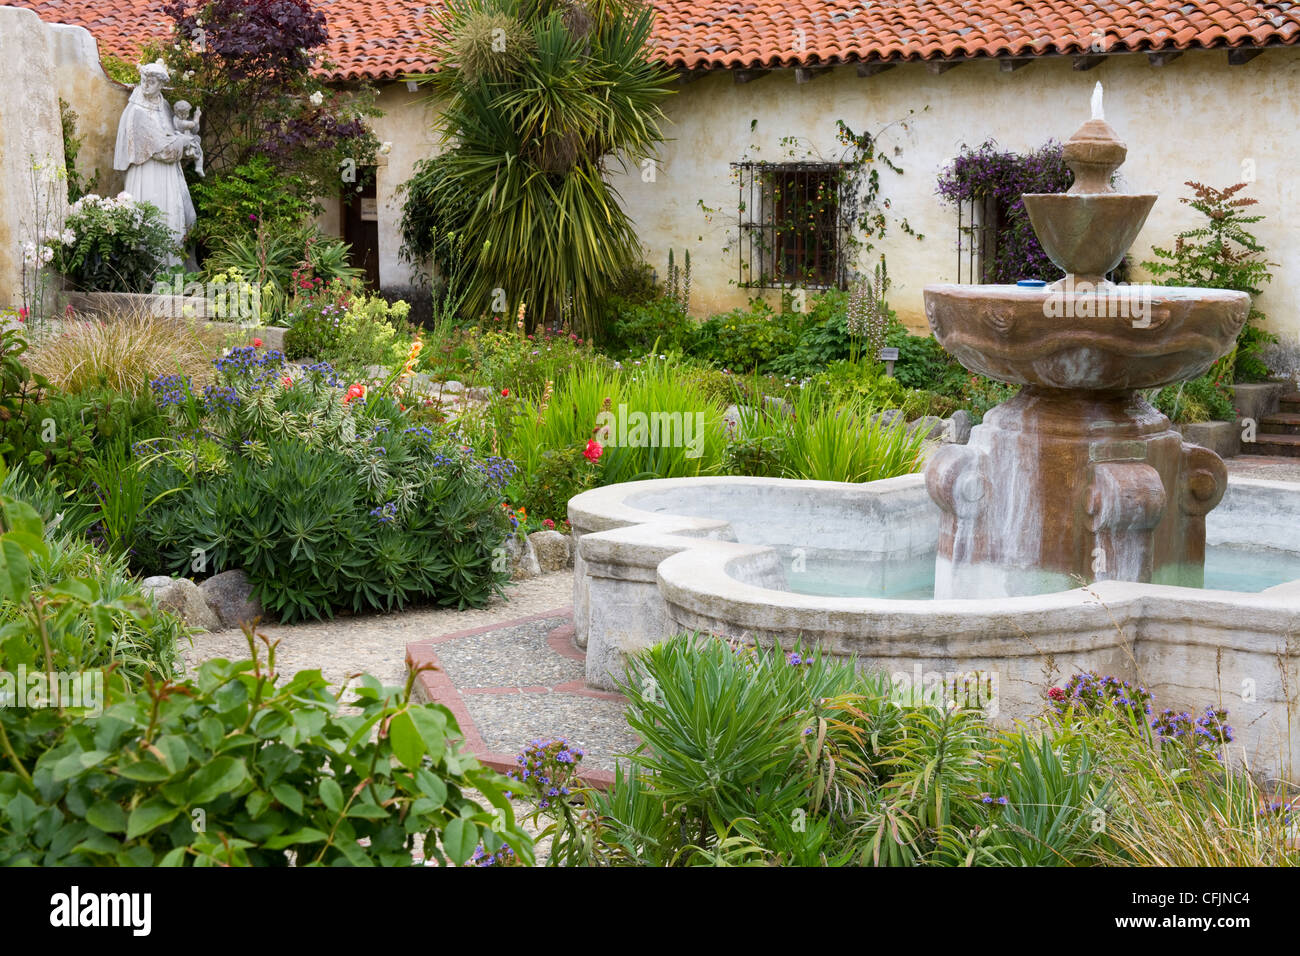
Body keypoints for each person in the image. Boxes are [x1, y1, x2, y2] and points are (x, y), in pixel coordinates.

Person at [112, 60, 198, 260]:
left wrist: (186, 143)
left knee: (168, 217)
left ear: (161, 85)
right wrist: (182, 142)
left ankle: (170, 267)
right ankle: (146, 271)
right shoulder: (137, 110)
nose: (147, 84)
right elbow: (161, 149)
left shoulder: (164, 105)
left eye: (153, 81)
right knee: (148, 214)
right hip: (147, 172)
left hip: (167, 176)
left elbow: (171, 135)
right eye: (145, 79)